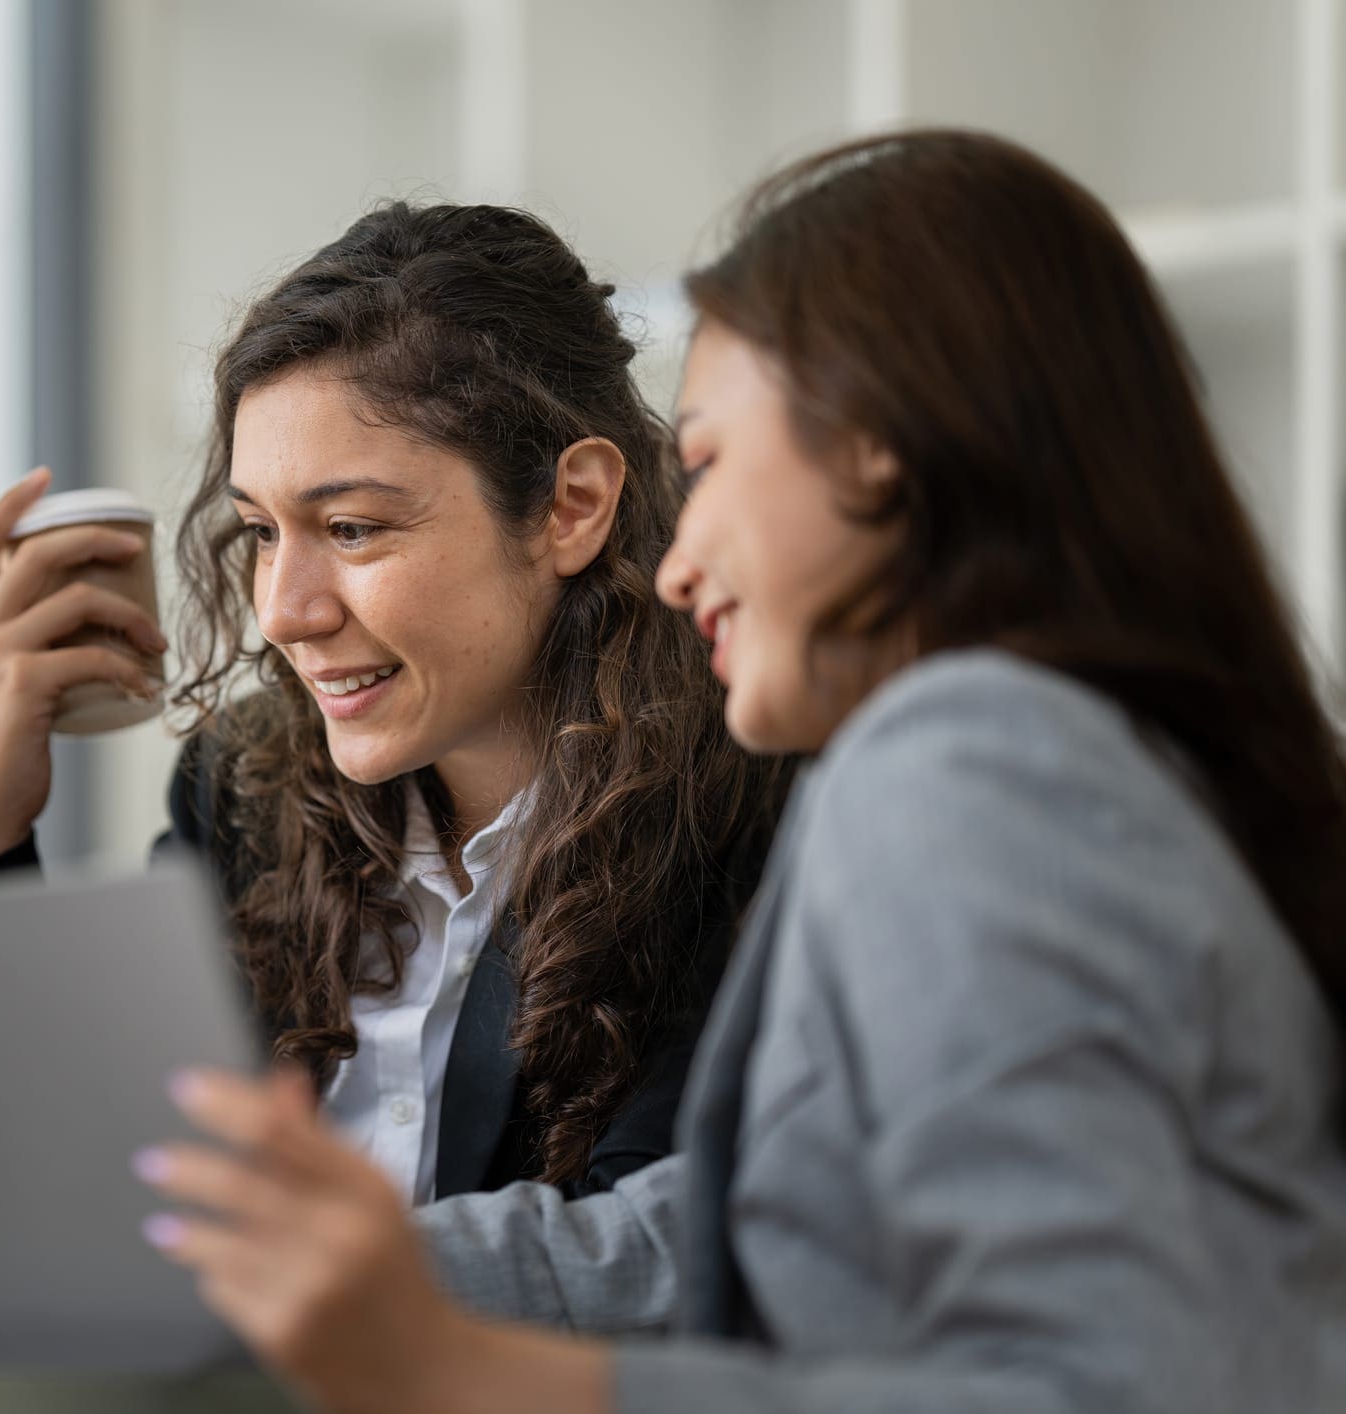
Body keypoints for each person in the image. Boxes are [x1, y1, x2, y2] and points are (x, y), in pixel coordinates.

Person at [130, 130, 1346, 1412]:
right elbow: (707, 1238)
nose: (676, 554)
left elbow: (1091, 1387)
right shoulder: (1043, 763)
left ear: (872, 450)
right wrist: (299, 1283)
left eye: (704, 464)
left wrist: (469, 1372)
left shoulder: (970, 763)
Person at [0, 203, 787, 1331]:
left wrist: (49, 1269)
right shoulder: (251, 794)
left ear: (572, 506)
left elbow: (641, 1277)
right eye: (265, 530)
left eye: (354, 528)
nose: (283, 607)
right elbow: (85, 1205)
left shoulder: (746, 818)